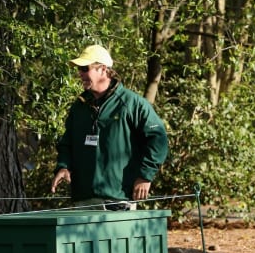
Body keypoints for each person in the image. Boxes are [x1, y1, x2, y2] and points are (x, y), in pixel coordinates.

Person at [50, 44, 168, 210]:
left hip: (118, 199)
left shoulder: (131, 103)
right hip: (83, 199)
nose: (80, 74)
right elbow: (67, 142)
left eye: (85, 68)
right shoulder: (79, 106)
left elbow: (159, 139)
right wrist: (63, 166)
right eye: (79, 69)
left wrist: (145, 176)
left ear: (103, 69)